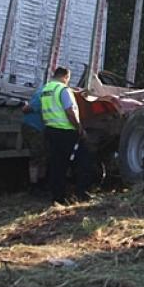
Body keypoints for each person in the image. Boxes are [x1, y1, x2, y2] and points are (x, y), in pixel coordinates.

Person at [40, 66, 94, 204]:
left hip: (51, 130)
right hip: (66, 131)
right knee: (83, 161)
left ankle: (58, 197)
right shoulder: (63, 90)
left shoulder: (46, 89)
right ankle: (82, 194)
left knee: (57, 165)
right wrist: (79, 128)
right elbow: (70, 111)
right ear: (66, 76)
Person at [21, 86, 48, 191]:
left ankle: (39, 183)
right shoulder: (43, 93)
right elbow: (27, 109)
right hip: (34, 127)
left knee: (42, 156)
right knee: (37, 156)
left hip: (37, 127)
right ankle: (35, 185)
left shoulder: (43, 91)